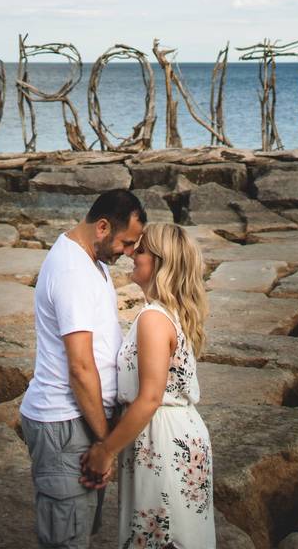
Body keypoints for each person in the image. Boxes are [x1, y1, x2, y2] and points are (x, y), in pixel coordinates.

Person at [19, 189, 146, 548]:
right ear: (102, 227)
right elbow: (80, 366)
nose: (129, 252)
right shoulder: (72, 270)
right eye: (126, 242)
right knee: (66, 540)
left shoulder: (94, 262)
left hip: (83, 421)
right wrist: (106, 441)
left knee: (80, 533)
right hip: (65, 422)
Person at [80, 223, 215, 548]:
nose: (131, 254)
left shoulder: (154, 318)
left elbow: (151, 396)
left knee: (163, 537)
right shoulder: (167, 313)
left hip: (162, 440)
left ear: (159, 261)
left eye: (140, 250)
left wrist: (105, 450)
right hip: (172, 433)